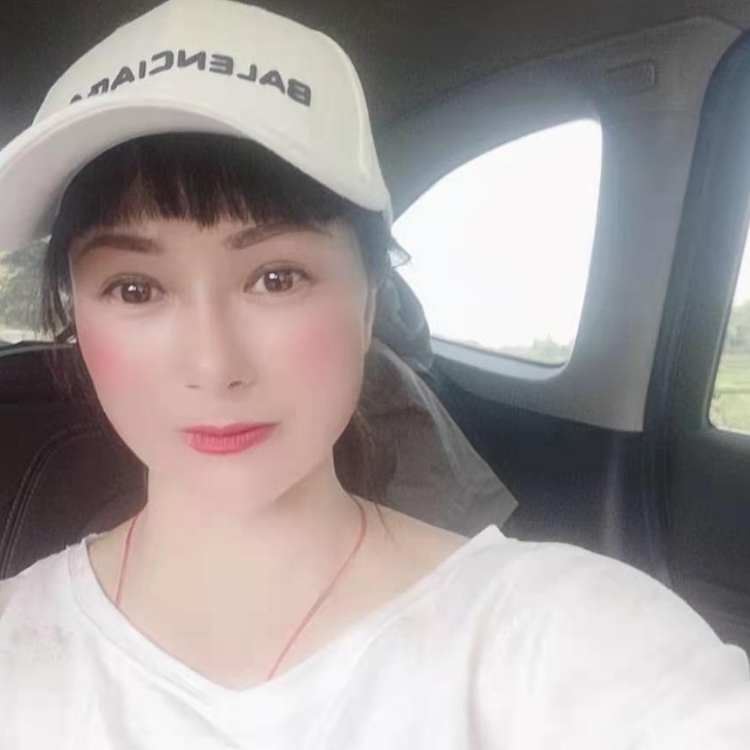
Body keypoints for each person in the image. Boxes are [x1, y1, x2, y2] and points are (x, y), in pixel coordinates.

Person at [0, 0, 749, 747]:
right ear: (76, 319)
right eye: (135, 289)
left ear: (370, 305)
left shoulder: (559, 638)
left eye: (277, 278)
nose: (212, 365)